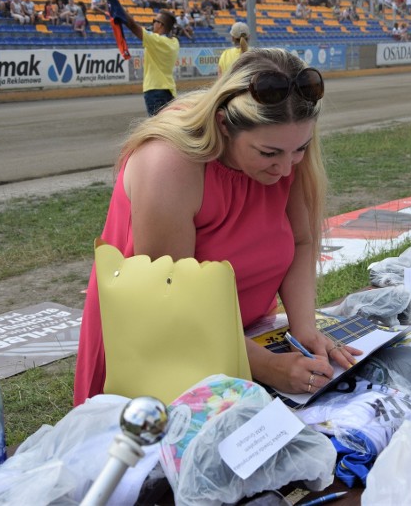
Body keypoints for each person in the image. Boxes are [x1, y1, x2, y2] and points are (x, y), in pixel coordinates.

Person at [73, 48, 359, 406]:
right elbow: (173, 305)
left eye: (300, 150)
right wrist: (268, 367)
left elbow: (301, 241)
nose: (286, 170)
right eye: (269, 154)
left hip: (241, 339)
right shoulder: (169, 164)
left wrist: (303, 330)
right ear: (224, 125)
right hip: (161, 349)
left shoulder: (283, 142)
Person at [120, 6, 178, 115]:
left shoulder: (156, 41)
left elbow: (132, 26)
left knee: (157, 127)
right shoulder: (174, 42)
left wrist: (119, 9)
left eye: (154, 21)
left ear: (160, 24)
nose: (153, 24)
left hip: (154, 89)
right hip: (169, 90)